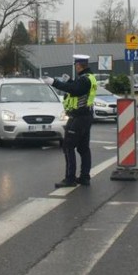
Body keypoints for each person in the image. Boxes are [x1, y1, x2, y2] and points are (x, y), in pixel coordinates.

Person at [43, 54, 97, 188]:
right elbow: (77, 88)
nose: (75, 67)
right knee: (83, 148)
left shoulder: (84, 80)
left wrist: (54, 82)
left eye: (75, 65)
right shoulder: (89, 77)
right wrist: (70, 81)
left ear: (78, 66)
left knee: (68, 146)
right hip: (85, 116)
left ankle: (70, 178)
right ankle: (84, 177)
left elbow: (75, 90)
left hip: (78, 117)